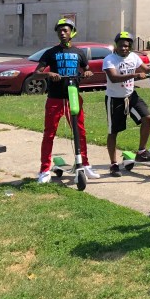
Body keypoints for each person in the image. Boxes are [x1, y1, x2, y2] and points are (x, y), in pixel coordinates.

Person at [33, 18, 99, 184]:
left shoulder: (79, 52)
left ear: (72, 33)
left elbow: (87, 69)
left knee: (80, 132)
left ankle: (84, 164)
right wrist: (49, 74)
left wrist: (88, 73)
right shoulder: (51, 52)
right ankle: (44, 169)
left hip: (74, 98)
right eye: (60, 31)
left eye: (66, 30)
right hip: (55, 98)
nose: (62, 33)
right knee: (49, 134)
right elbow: (36, 73)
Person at [103, 31, 150, 177]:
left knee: (147, 118)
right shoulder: (109, 59)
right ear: (116, 45)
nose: (124, 48)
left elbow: (147, 69)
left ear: (130, 47)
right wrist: (135, 75)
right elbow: (114, 78)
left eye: (127, 46)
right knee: (113, 132)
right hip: (115, 99)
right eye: (121, 45)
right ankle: (113, 164)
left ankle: (141, 151)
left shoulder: (133, 57)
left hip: (131, 95)